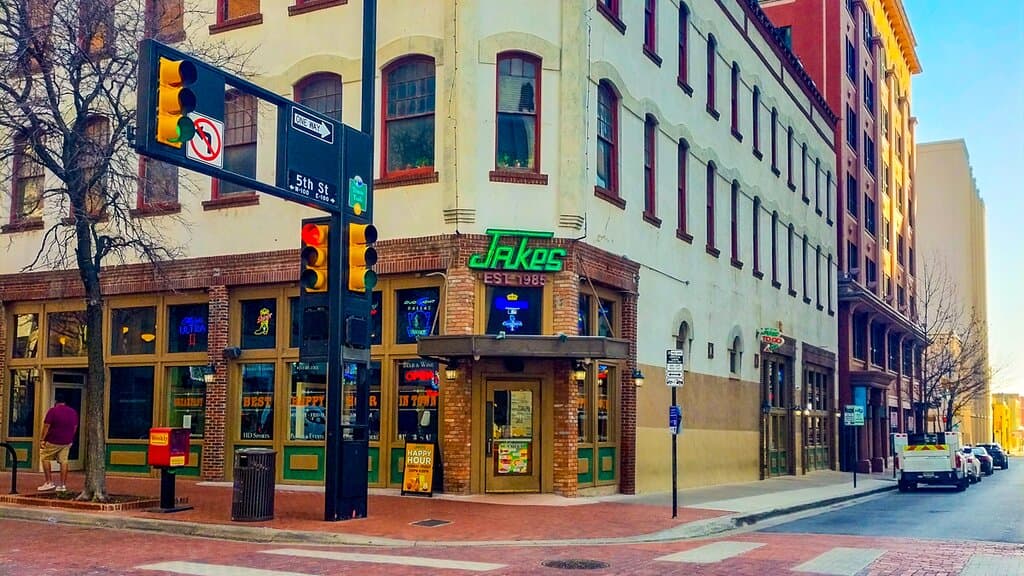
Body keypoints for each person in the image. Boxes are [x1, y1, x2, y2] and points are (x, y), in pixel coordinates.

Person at [38, 399, 78, 493]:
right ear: (65, 402)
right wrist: (70, 437)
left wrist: (42, 439)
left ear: (56, 402)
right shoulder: (72, 412)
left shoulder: (52, 411)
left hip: (53, 440)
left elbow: (46, 426)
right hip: (66, 441)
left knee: (45, 457)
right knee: (64, 461)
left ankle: (49, 482)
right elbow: (75, 427)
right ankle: (63, 485)